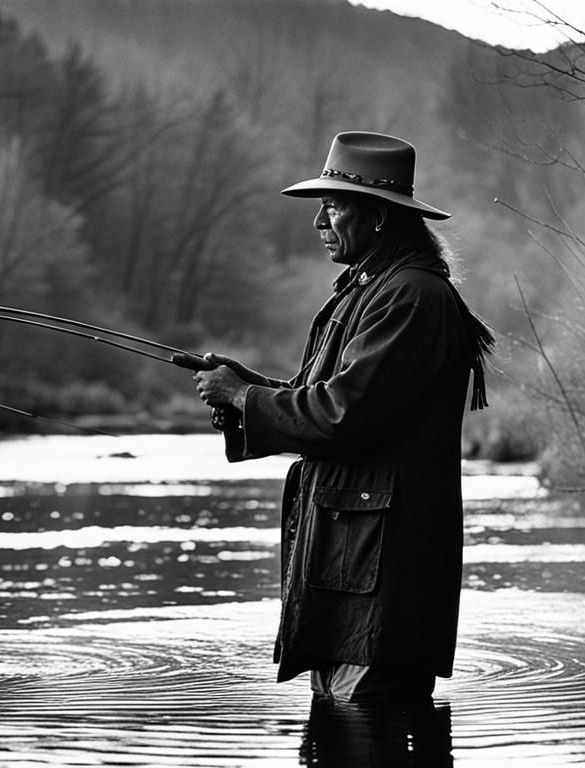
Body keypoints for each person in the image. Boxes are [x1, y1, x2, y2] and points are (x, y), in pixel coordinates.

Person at [191, 130, 493, 703]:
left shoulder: (410, 297)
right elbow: (334, 397)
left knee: (365, 733)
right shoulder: (373, 289)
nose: (318, 222)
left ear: (378, 216)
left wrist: (241, 398)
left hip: (381, 574)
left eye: (333, 206)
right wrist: (246, 386)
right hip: (354, 564)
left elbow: (342, 415)